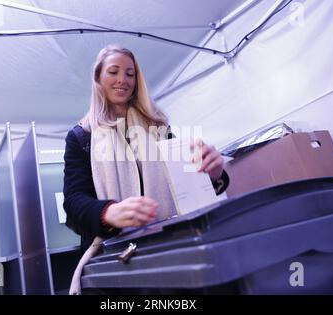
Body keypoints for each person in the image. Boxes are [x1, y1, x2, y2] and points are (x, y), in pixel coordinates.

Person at [63, 44, 229, 256]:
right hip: (116, 254)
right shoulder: (81, 137)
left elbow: (186, 181)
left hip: (169, 244)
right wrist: (107, 213)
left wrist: (213, 175)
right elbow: (74, 203)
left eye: (130, 74)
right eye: (113, 72)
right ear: (97, 79)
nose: (123, 79)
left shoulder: (158, 127)